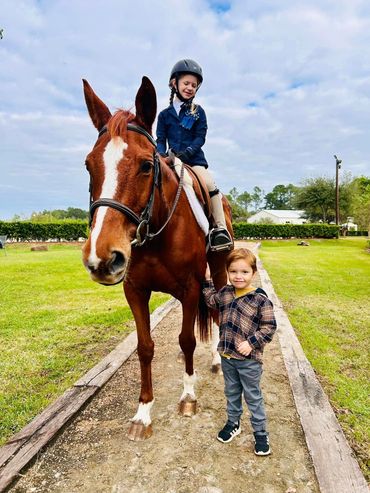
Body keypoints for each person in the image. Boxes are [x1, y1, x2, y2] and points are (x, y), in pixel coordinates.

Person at [202, 248, 277, 455]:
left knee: (253, 396)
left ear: (253, 273)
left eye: (244, 272)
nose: (238, 276)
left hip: (249, 360)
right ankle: (233, 423)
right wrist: (208, 280)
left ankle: (261, 433)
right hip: (227, 357)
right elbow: (211, 301)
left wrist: (251, 343)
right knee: (232, 392)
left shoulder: (260, 299)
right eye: (233, 271)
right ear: (227, 272)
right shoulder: (225, 293)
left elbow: (269, 327)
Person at [156, 58, 233, 251]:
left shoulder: (198, 112)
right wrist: (161, 155)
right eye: (186, 83)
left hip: (195, 161)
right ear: (175, 83)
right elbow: (160, 139)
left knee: (209, 185)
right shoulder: (164, 115)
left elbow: (200, 138)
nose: (190, 88)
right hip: (171, 161)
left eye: (194, 85)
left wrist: (188, 152)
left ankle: (220, 230)